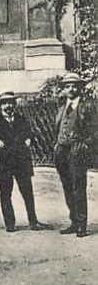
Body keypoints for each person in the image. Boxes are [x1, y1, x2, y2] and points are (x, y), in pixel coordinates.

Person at [0, 92, 43, 232]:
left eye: (10, 102)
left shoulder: (21, 120)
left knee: (27, 192)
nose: (8, 106)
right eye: (5, 103)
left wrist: (29, 139)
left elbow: (30, 133)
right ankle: (10, 223)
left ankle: (33, 222)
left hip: (21, 162)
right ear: (0, 105)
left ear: (14, 104)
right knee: (5, 193)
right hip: (3, 164)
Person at [54, 73, 97, 238]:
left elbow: (95, 130)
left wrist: (85, 145)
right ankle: (73, 221)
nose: (70, 89)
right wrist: (57, 144)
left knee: (78, 187)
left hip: (77, 150)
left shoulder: (88, 106)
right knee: (67, 186)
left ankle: (82, 224)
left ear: (80, 88)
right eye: (67, 86)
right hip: (62, 151)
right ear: (63, 89)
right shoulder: (61, 108)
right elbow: (57, 129)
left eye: (74, 85)